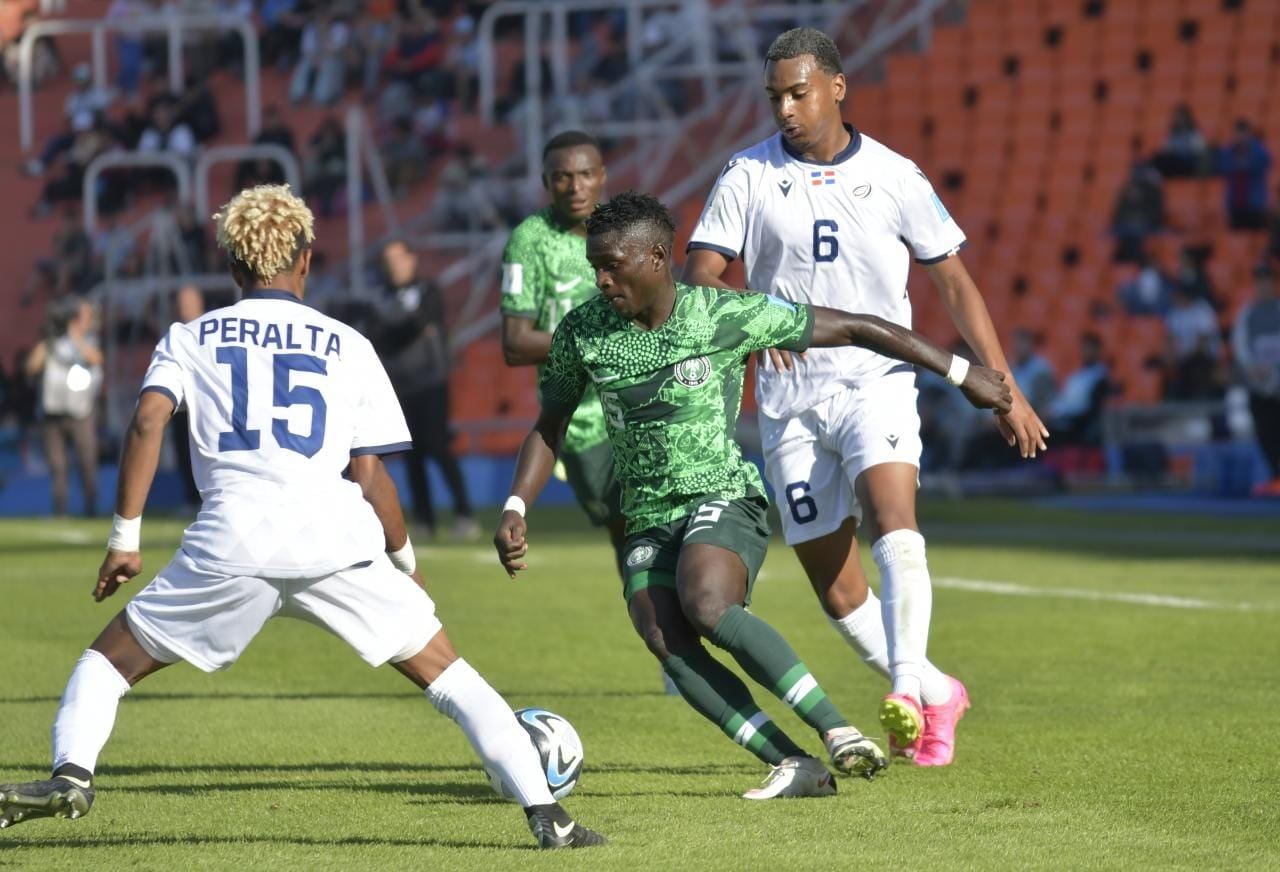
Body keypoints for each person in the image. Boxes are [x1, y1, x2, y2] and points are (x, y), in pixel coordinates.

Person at [0, 185, 604, 850]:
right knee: (450, 676)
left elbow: (148, 418)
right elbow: (371, 475)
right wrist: (405, 564)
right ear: (307, 259)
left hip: (230, 540)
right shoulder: (348, 343)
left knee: (106, 665)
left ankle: (72, 774)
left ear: (232, 265)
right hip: (336, 540)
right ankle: (548, 815)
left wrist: (125, 539)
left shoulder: (190, 336)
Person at [494, 192, 1013, 798]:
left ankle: (836, 731)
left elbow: (855, 326)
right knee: (663, 636)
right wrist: (515, 506)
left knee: (707, 602)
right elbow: (548, 426)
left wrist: (959, 372)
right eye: (595, 265)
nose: (601, 278)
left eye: (613, 264)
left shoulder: (723, 314)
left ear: (658, 257)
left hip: (724, 496)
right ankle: (796, 764)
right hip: (646, 516)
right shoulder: (583, 332)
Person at [682, 27, 1048, 768]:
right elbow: (701, 275)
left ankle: (908, 692)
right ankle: (939, 689)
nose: (785, 108)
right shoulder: (748, 175)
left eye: (798, 92)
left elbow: (954, 283)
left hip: (875, 382)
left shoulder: (895, 176)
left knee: (892, 514)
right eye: (775, 96)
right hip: (787, 399)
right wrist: (753, 318)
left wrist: (1003, 387)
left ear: (837, 87)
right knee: (836, 585)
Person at [500, 131, 626, 575]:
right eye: (562, 177)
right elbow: (515, 343)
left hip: (642, 403)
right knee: (627, 534)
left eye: (585, 175)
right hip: (583, 423)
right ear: (546, 182)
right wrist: (598, 349)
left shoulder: (626, 232)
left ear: (602, 177)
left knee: (666, 528)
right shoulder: (530, 240)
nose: (575, 188)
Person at [376, 239, 478, 539]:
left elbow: (418, 324)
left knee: (438, 446)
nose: (393, 266)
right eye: (388, 260)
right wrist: (409, 329)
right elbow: (380, 336)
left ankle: (464, 514)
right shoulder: (380, 298)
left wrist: (398, 331)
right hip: (400, 387)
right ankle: (424, 520)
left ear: (411, 260)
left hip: (432, 382)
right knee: (412, 454)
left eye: (398, 258)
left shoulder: (428, 291)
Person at [25, 299, 103, 516]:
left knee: (87, 462)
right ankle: (60, 510)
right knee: (57, 465)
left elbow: (96, 358)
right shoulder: (52, 342)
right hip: (53, 411)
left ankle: (91, 508)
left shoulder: (89, 339)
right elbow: (31, 367)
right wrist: (49, 339)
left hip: (81, 411)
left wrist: (75, 336)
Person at [1231, 263, 1280, 494]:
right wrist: (1253, 369)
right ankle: (1275, 476)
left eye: (1267, 282)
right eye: (1260, 282)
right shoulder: (1248, 314)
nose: (1263, 287)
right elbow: (1241, 348)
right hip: (1260, 386)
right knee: (1266, 431)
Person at [169, 284, 204, 507]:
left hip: (205, 406)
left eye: (188, 303)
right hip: (182, 405)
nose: (184, 308)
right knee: (183, 452)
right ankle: (191, 497)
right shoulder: (175, 335)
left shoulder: (210, 333)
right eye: (181, 303)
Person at [1046, 332, 1110, 446]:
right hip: (1064, 417)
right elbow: (1064, 400)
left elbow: (1086, 408)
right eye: (1084, 348)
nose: (1086, 351)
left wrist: (1062, 414)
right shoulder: (1076, 376)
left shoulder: (1100, 376)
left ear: (1097, 350)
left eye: (1089, 348)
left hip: (1080, 422)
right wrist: (1052, 411)